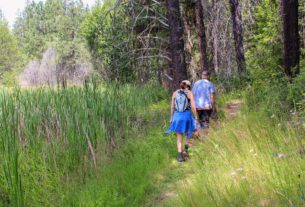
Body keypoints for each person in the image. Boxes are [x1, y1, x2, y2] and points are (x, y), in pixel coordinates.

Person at [166, 80, 198, 162]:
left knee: (179, 137)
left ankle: (180, 156)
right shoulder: (189, 93)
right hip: (186, 116)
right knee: (188, 134)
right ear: (188, 86)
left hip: (177, 116)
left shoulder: (175, 93)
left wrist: (171, 117)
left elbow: (172, 107)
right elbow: (193, 107)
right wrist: (195, 117)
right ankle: (186, 151)